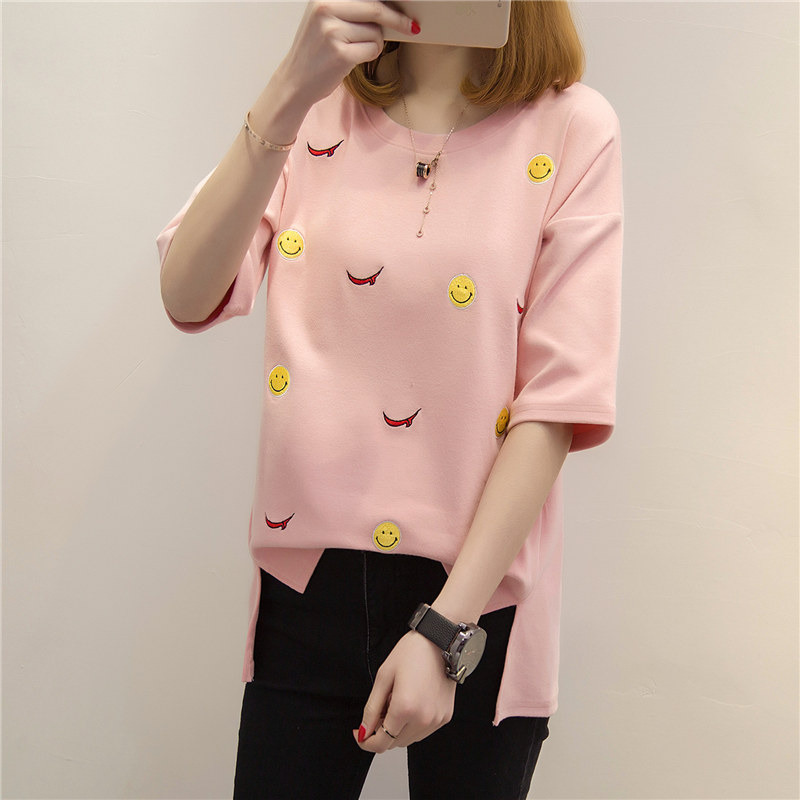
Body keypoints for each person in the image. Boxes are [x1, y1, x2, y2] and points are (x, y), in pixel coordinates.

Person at [156, 1, 623, 797]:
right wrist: (288, 89)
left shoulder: (573, 128)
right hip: (309, 588)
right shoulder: (317, 110)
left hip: (480, 597)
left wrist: (446, 628)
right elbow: (187, 293)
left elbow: (555, 402)